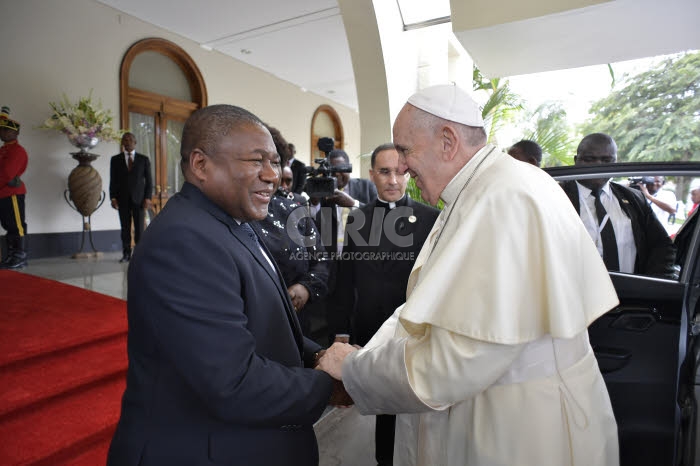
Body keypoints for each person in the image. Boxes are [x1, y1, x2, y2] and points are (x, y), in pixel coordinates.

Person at [317, 84, 620, 466]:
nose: (403, 167)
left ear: (447, 140)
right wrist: (366, 354)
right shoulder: (486, 188)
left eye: (407, 151)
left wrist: (352, 368)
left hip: (516, 429)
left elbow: (451, 362)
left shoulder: (503, 199)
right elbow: (426, 308)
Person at [107, 105, 340, 466]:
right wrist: (331, 384)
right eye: (255, 160)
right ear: (201, 165)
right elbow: (233, 382)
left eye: (275, 162)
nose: (272, 175)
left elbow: (263, 323)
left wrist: (318, 355)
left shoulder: (234, 220)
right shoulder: (183, 241)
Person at [329, 142, 439, 466]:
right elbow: (345, 280)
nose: (393, 180)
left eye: (399, 172)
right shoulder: (357, 219)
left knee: (416, 409)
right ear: (372, 175)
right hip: (370, 329)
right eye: (385, 172)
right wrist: (340, 333)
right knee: (384, 411)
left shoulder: (432, 219)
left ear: (408, 174)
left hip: (414, 331)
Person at [560, 133, 676, 278]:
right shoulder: (556, 196)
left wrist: (651, 288)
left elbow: (661, 246)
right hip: (573, 296)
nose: (598, 166)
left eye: (606, 160)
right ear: (576, 161)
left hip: (629, 296)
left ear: (616, 162)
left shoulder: (634, 199)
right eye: (590, 159)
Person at [256, 124, 330, 337]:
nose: (268, 173)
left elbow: (321, 260)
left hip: (296, 327)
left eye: (275, 163)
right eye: (257, 162)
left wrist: (305, 288)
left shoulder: (293, 209)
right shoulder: (227, 216)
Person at [308, 148, 377, 344]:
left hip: (359, 261)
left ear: (349, 168)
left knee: (359, 306)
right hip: (332, 262)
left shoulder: (365, 187)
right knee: (334, 311)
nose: (337, 174)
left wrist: (352, 203)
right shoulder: (322, 189)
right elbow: (309, 223)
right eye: (333, 170)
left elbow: (379, 216)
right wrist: (314, 201)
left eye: (341, 169)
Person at [109, 132, 153, 263]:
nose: (127, 142)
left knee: (139, 228)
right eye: (125, 140)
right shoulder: (115, 159)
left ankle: (139, 254)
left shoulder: (143, 159)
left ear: (135, 143)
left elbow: (149, 181)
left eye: (130, 140)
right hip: (122, 199)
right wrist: (112, 197)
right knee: (125, 228)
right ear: (122, 143)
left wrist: (148, 198)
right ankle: (126, 254)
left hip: (139, 200)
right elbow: (113, 180)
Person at [0, 106, 29, 269]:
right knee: (7, 224)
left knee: (16, 225)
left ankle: (20, 256)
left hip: (12, 193)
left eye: (6, 131)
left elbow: (6, 173)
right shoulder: (3, 150)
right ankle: (11, 255)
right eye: (2, 130)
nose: (3, 133)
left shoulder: (17, 151)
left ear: (15, 133)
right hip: (3, 192)